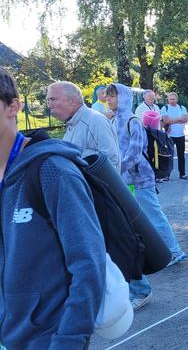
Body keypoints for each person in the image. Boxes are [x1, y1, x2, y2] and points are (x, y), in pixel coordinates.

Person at [0, 67, 105, 348]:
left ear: (14, 107)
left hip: (48, 339)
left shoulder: (53, 171)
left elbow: (89, 265)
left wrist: (68, 341)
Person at [106, 83, 187, 309]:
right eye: (108, 96)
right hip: (124, 181)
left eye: (113, 96)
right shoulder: (113, 120)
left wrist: (114, 168)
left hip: (139, 179)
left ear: (122, 98)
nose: (109, 100)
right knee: (134, 222)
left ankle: (174, 251)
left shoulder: (133, 121)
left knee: (153, 215)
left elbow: (133, 152)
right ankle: (153, 256)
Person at [47, 81, 121, 172]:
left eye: (53, 99)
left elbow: (112, 161)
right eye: (48, 100)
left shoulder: (95, 121)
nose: (49, 105)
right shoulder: (72, 122)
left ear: (72, 101)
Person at [161, 92, 188, 179]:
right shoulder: (165, 108)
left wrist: (171, 120)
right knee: (168, 156)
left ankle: (182, 174)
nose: (172, 101)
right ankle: (167, 175)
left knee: (181, 155)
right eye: (170, 99)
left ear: (177, 99)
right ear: (168, 100)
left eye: (173, 99)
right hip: (169, 136)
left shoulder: (182, 108)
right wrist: (179, 119)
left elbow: (185, 119)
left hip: (181, 135)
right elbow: (166, 121)